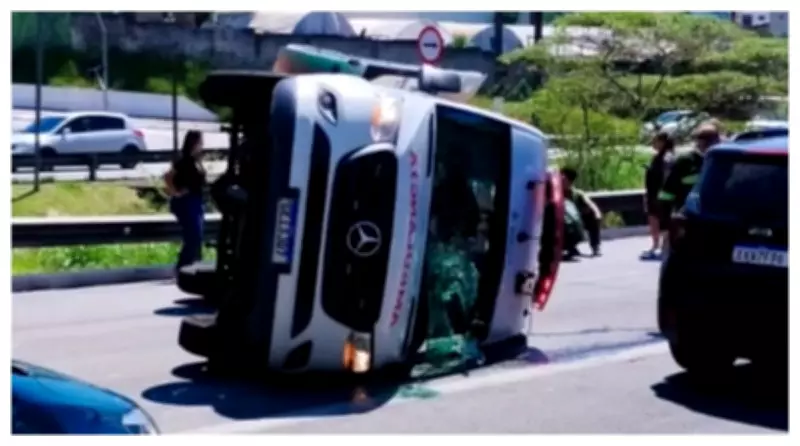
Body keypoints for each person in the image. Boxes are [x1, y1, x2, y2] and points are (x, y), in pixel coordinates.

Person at [657, 121, 720, 244]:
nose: (708, 144)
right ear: (699, 141)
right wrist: (665, 225)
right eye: (705, 140)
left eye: (712, 140)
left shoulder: (720, 162)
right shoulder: (685, 161)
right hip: (688, 220)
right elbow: (667, 194)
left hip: (715, 221)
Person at [163, 130, 207, 272]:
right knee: (193, 236)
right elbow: (168, 176)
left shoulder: (196, 160)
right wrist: (175, 192)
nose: (202, 145)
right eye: (200, 142)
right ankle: (183, 266)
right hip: (186, 202)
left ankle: (193, 264)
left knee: (196, 236)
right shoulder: (184, 160)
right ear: (194, 143)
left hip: (196, 201)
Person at [641, 131, 675, 260]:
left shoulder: (667, 157)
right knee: (653, 219)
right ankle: (655, 246)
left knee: (664, 221)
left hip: (661, 195)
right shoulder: (657, 157)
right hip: (653, 193)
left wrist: (663, 194)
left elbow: (667, 176)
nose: (653, 143)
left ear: (663, 142)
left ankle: (664, 247)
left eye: (656, 140)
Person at [561, 167, 602, 259]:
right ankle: (569, 248)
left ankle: (595, 246)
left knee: (592, 217)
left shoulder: (577, 193)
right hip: (562, 223)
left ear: (569, 181)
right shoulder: (555, 194)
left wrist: (597, 213)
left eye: (564, 179)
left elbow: (590, 204)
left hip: (576, 223)